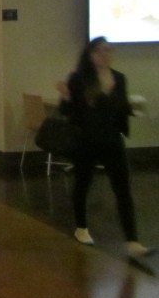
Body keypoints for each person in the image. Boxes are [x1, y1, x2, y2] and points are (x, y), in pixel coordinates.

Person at [57, 37, 153, 257]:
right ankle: (81, 228)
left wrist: (133, 108)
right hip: (86, 141)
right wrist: (66, 96)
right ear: (90, 54)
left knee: (123, 189)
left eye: (108, 50)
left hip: (112, 140)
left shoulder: (119, 78)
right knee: (83, 183)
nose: (105, 54)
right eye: (100, 50)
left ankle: (132, 241)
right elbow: (67, 111)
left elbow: (119, 109)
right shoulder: (80, 78)